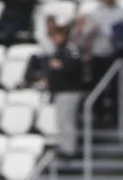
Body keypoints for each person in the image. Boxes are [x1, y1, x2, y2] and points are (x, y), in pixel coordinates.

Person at [87, 0, 123, 127]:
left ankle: (116, 117)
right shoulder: (94, 13)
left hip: (114, 54)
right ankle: (98, 116)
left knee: (115, 88)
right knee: (96, 85)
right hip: (97, 53)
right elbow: (87, 32)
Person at [47, 27, 84, 159]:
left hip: (69, 90)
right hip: (60, 91)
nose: (55, 38)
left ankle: (70, 149)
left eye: (57, 35)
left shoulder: (70, 50)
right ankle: (63, 145)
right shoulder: (57, 50)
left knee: (67, 120)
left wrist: (61, 66)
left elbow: (76, 68)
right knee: (60, 120)